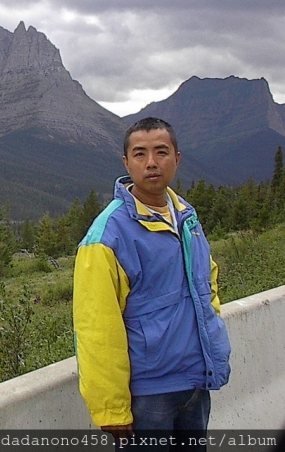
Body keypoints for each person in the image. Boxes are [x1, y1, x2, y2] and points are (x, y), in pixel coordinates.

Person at [73, 117, 231, 450]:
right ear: (126, 162)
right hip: (148, 394)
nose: (151, 163)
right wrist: (112, 409)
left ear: (177, 157)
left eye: (161, 152)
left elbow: (207, 283)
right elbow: (96, 327)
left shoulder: (186, 217)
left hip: (196, 382)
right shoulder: (106, 236)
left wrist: (212, 338)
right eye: (140, 154)